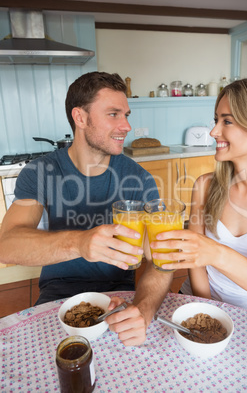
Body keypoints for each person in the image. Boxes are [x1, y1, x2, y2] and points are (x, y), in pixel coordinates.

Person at [0, 71, 173, 345]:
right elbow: (7, 244)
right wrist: (80, 242)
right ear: (80, 118)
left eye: (126, 115)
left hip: (121, 296)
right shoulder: (40, 172)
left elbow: (160, 260)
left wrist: (144, 309)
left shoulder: (139, 178)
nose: (126, 126)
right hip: (57, 295)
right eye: (114, 114)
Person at [149, 76, 247, 317]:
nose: (214, 131)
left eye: (227, 121)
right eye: (216, 120)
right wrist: (206, 312)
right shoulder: (205, 185)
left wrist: (215, 252)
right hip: (198, 302)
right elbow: (197, 265)